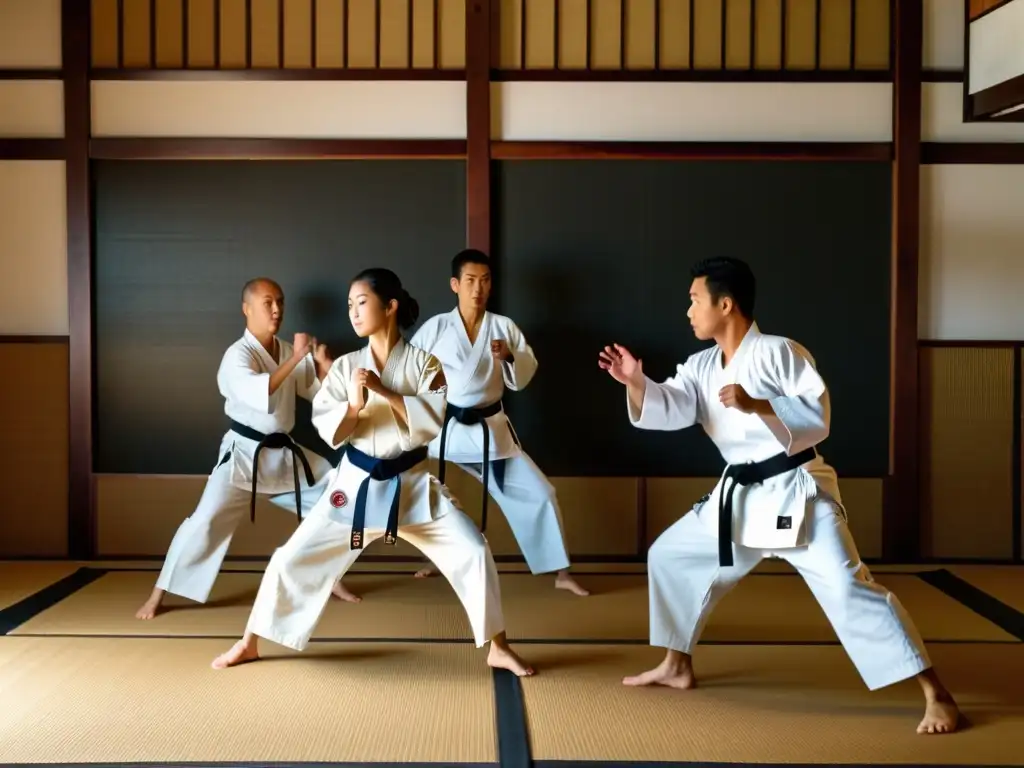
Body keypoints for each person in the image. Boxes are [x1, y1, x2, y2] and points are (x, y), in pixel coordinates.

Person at [598, 257, 960, 735]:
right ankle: (676, 664)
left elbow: (817, 416)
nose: (687, 310)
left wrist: (758, 404)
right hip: (740, 496)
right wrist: (637, 383)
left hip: (797, 494)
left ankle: (938, 695)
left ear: (725, 304)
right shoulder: (703, 365)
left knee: (850, 587)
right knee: (670, 555)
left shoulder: (780, 352)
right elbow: (678, 405)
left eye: (694, 300)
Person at [210, 268, 534, 677]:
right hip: (355, 487)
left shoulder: (426, 364)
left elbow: (432, 422)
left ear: (390, 306)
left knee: (473, 549)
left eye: (361, 302)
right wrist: (354, 406)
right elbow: (334, 432)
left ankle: (498, 646)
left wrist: (385, 392)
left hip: (413, 487)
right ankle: (250, 641)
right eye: (349, 306)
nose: (353, 313)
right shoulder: (346, 368)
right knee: (289, 558)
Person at [135, 278, 360, 620]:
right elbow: (263, 392)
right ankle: (158, 594)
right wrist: (299, 357)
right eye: (268, 302)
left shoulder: (285, 350)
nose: (276, 309)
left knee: (339, 496)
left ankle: (328, 575)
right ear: (247, 309)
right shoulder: (236, 356)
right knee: (204, 522)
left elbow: (318, 395)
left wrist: (324, 367)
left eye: (280, 302)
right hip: (244, 455)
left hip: (286, 457)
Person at [408, 250, 588, 596]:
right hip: (445, 431)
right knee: (430, 493)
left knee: (540, 493)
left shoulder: (503, 327)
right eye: (471, 281)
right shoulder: (437, 328)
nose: (478, 288)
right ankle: (440, 557)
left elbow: (523, 373)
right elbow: (408, 370)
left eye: (485, 280)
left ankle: (561, 572)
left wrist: (507, 356)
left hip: (490, 430)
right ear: (455, 285)